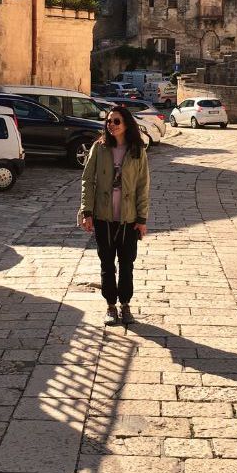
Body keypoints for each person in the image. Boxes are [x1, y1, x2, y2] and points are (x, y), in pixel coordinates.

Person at [79, 105, 150, 326]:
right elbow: (87, 180)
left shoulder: (137, 151)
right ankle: (110, 305)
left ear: (126, 124)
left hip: (128, 220)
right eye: (109, 121)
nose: (111, 125)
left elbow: (143, 186)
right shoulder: (99, 148)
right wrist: (87, 211)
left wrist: (142, 219)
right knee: (107, 263)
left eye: (116, 121)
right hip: (103, 217)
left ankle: (125, 305)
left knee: (127, 263)